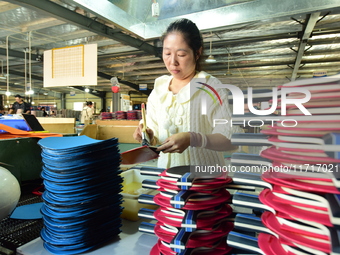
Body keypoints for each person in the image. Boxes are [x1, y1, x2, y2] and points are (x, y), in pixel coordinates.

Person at [133, 18, 240, 169]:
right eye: (167, 53)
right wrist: (147, 135)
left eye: (181, 55)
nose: (172, 62)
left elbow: (231, 138)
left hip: (204, 180)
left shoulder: (210, 87)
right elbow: (154, 131)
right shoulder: (159, 89)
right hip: (167, 180)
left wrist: (194, 139)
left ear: (197, 53)